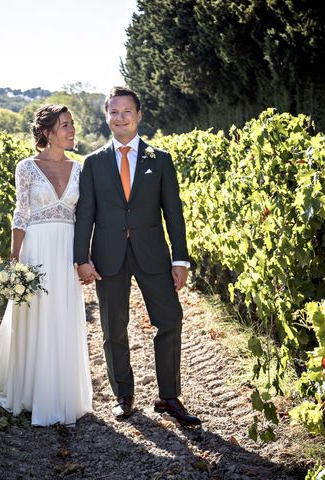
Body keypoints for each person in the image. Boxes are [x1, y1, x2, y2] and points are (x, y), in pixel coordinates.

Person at [0, 104, 93, 427]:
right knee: (36, 318)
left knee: (62, 316)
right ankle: (34, 393)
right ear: (47, 133)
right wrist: (13, 261)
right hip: (37, 249)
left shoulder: (80, 169)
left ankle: (63, 394)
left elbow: (85, 217)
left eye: (72, 124)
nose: (72, 130)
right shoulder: (26, 168)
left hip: (66, 251)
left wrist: (84, 256)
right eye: (65, 125)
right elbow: (20, 214)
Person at [73, 86, 200, 426]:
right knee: (114, 328)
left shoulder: (159, 160)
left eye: (126, 111)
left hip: (153, 254)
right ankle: (123, 395)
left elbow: (174, 212)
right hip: (108, 256)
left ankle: (169, 396)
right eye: (113, 112)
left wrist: (180, 259)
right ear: (106, 117)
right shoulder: (94, 162)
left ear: (139, 115)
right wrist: (81, 257)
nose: (120, 117)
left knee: (170, 320)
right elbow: (86, 213)